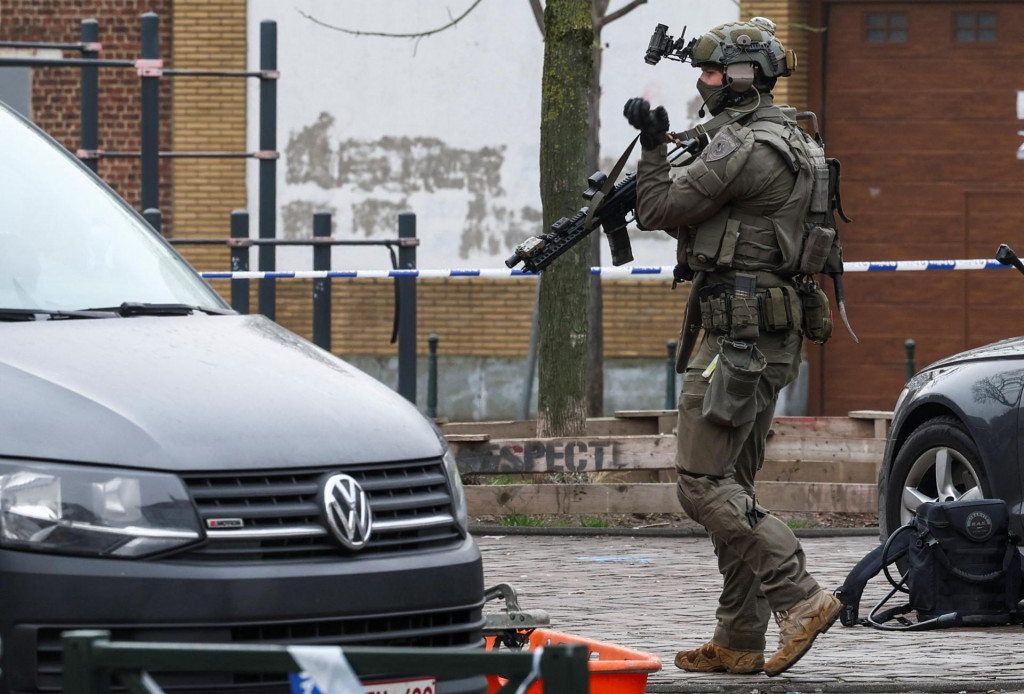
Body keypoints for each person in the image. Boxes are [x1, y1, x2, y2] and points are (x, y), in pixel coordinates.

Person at [623, 17, 843, 678]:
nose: (703, 81)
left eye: (714, 72)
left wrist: (654, 143)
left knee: (700, 484)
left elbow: (658, 207)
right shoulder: (796, 140)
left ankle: (799, 596)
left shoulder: (743, 146)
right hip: (769, 338)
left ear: (746, 77)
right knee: (733, 483)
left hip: (735, 335)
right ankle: (740, 636)